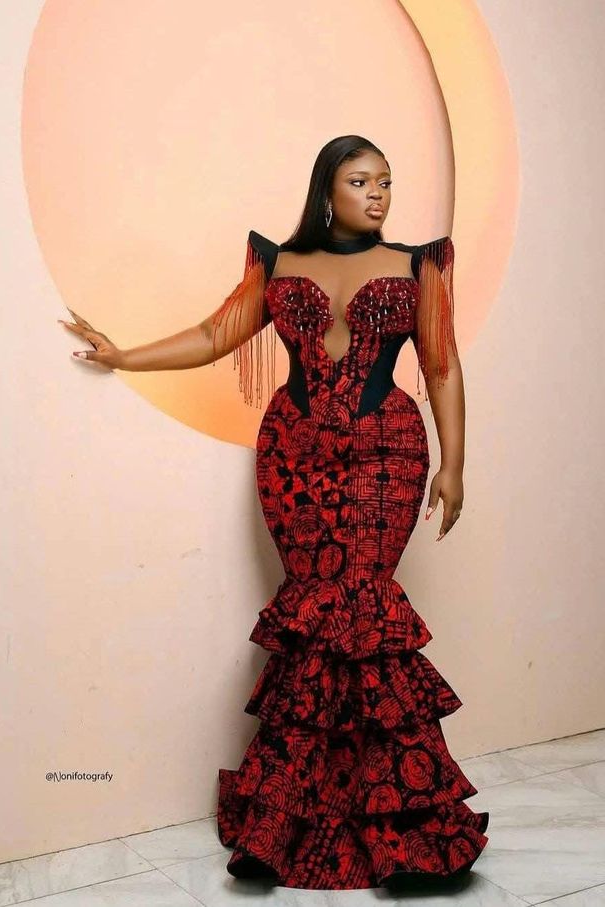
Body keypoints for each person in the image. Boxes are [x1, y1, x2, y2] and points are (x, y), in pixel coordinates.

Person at [58, 135, 489, 890]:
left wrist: (454, 463)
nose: (379, 194)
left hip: (387, 452)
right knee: (315, 613)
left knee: (365, 608)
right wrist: (123, 355)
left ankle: (405, 827)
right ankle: (283, 819)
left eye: (386, 182)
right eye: (362, 181)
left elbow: (442, 364)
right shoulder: (280, 263)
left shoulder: (417, 265)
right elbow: (213, 335)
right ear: (328, 191)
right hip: (294, 456)